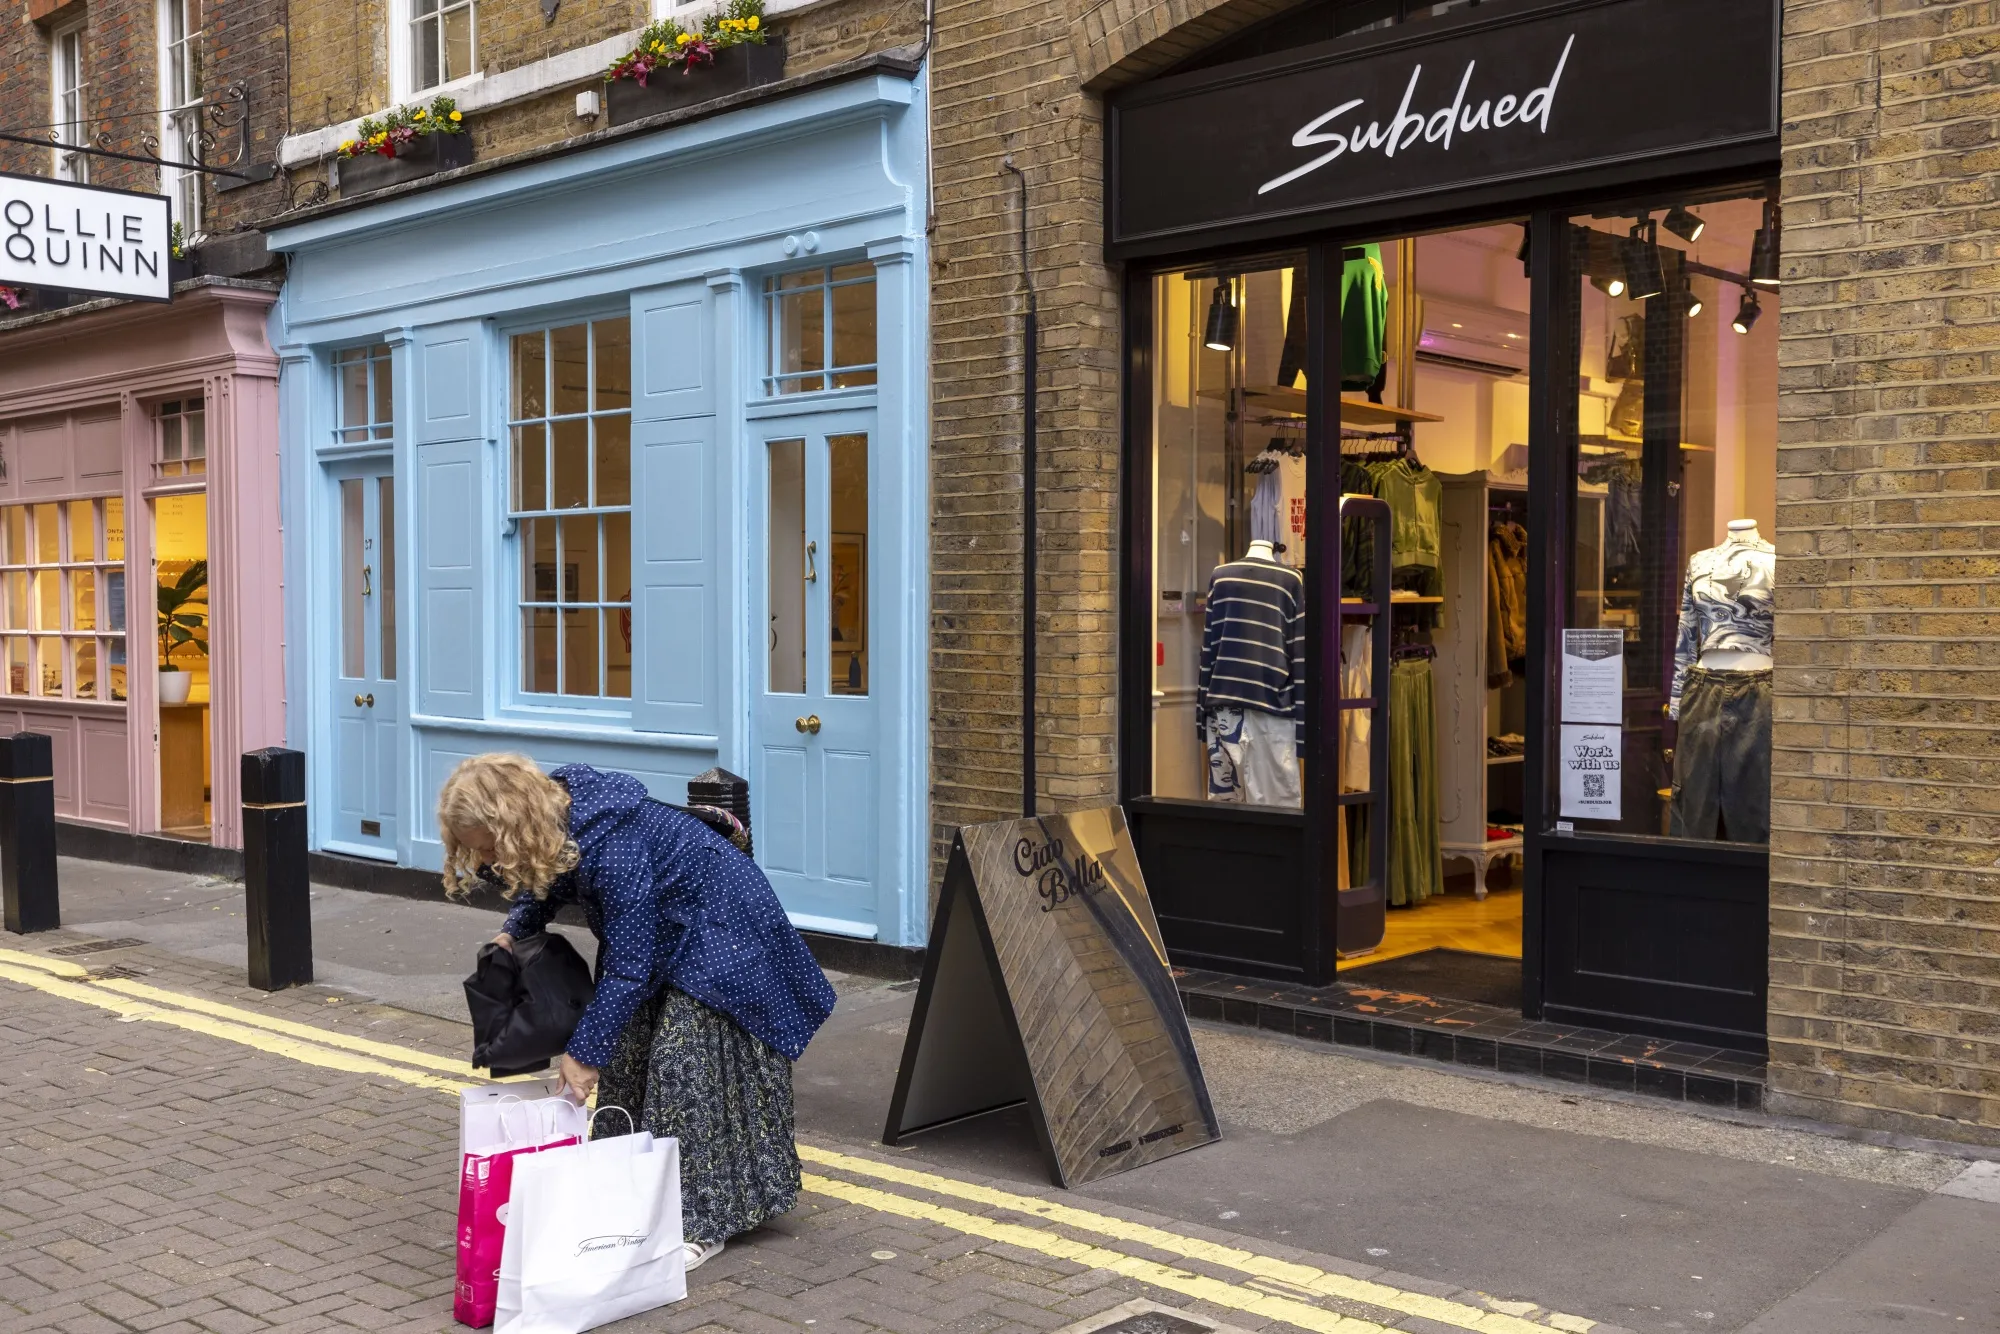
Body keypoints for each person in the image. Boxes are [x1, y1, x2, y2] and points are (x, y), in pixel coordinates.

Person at [438, 753, 837, 1271]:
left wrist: (583, 1055)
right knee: (626, 1056)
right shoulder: (556, 819)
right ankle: (631, 1198)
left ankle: (698, 1221)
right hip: (666, 930)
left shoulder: (614, 845)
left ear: (516, 824)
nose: (489, 859)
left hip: (722, 930)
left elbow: (628, 967)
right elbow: (547, 879)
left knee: (683, 1072)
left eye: (491, 846)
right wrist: (512, 930)